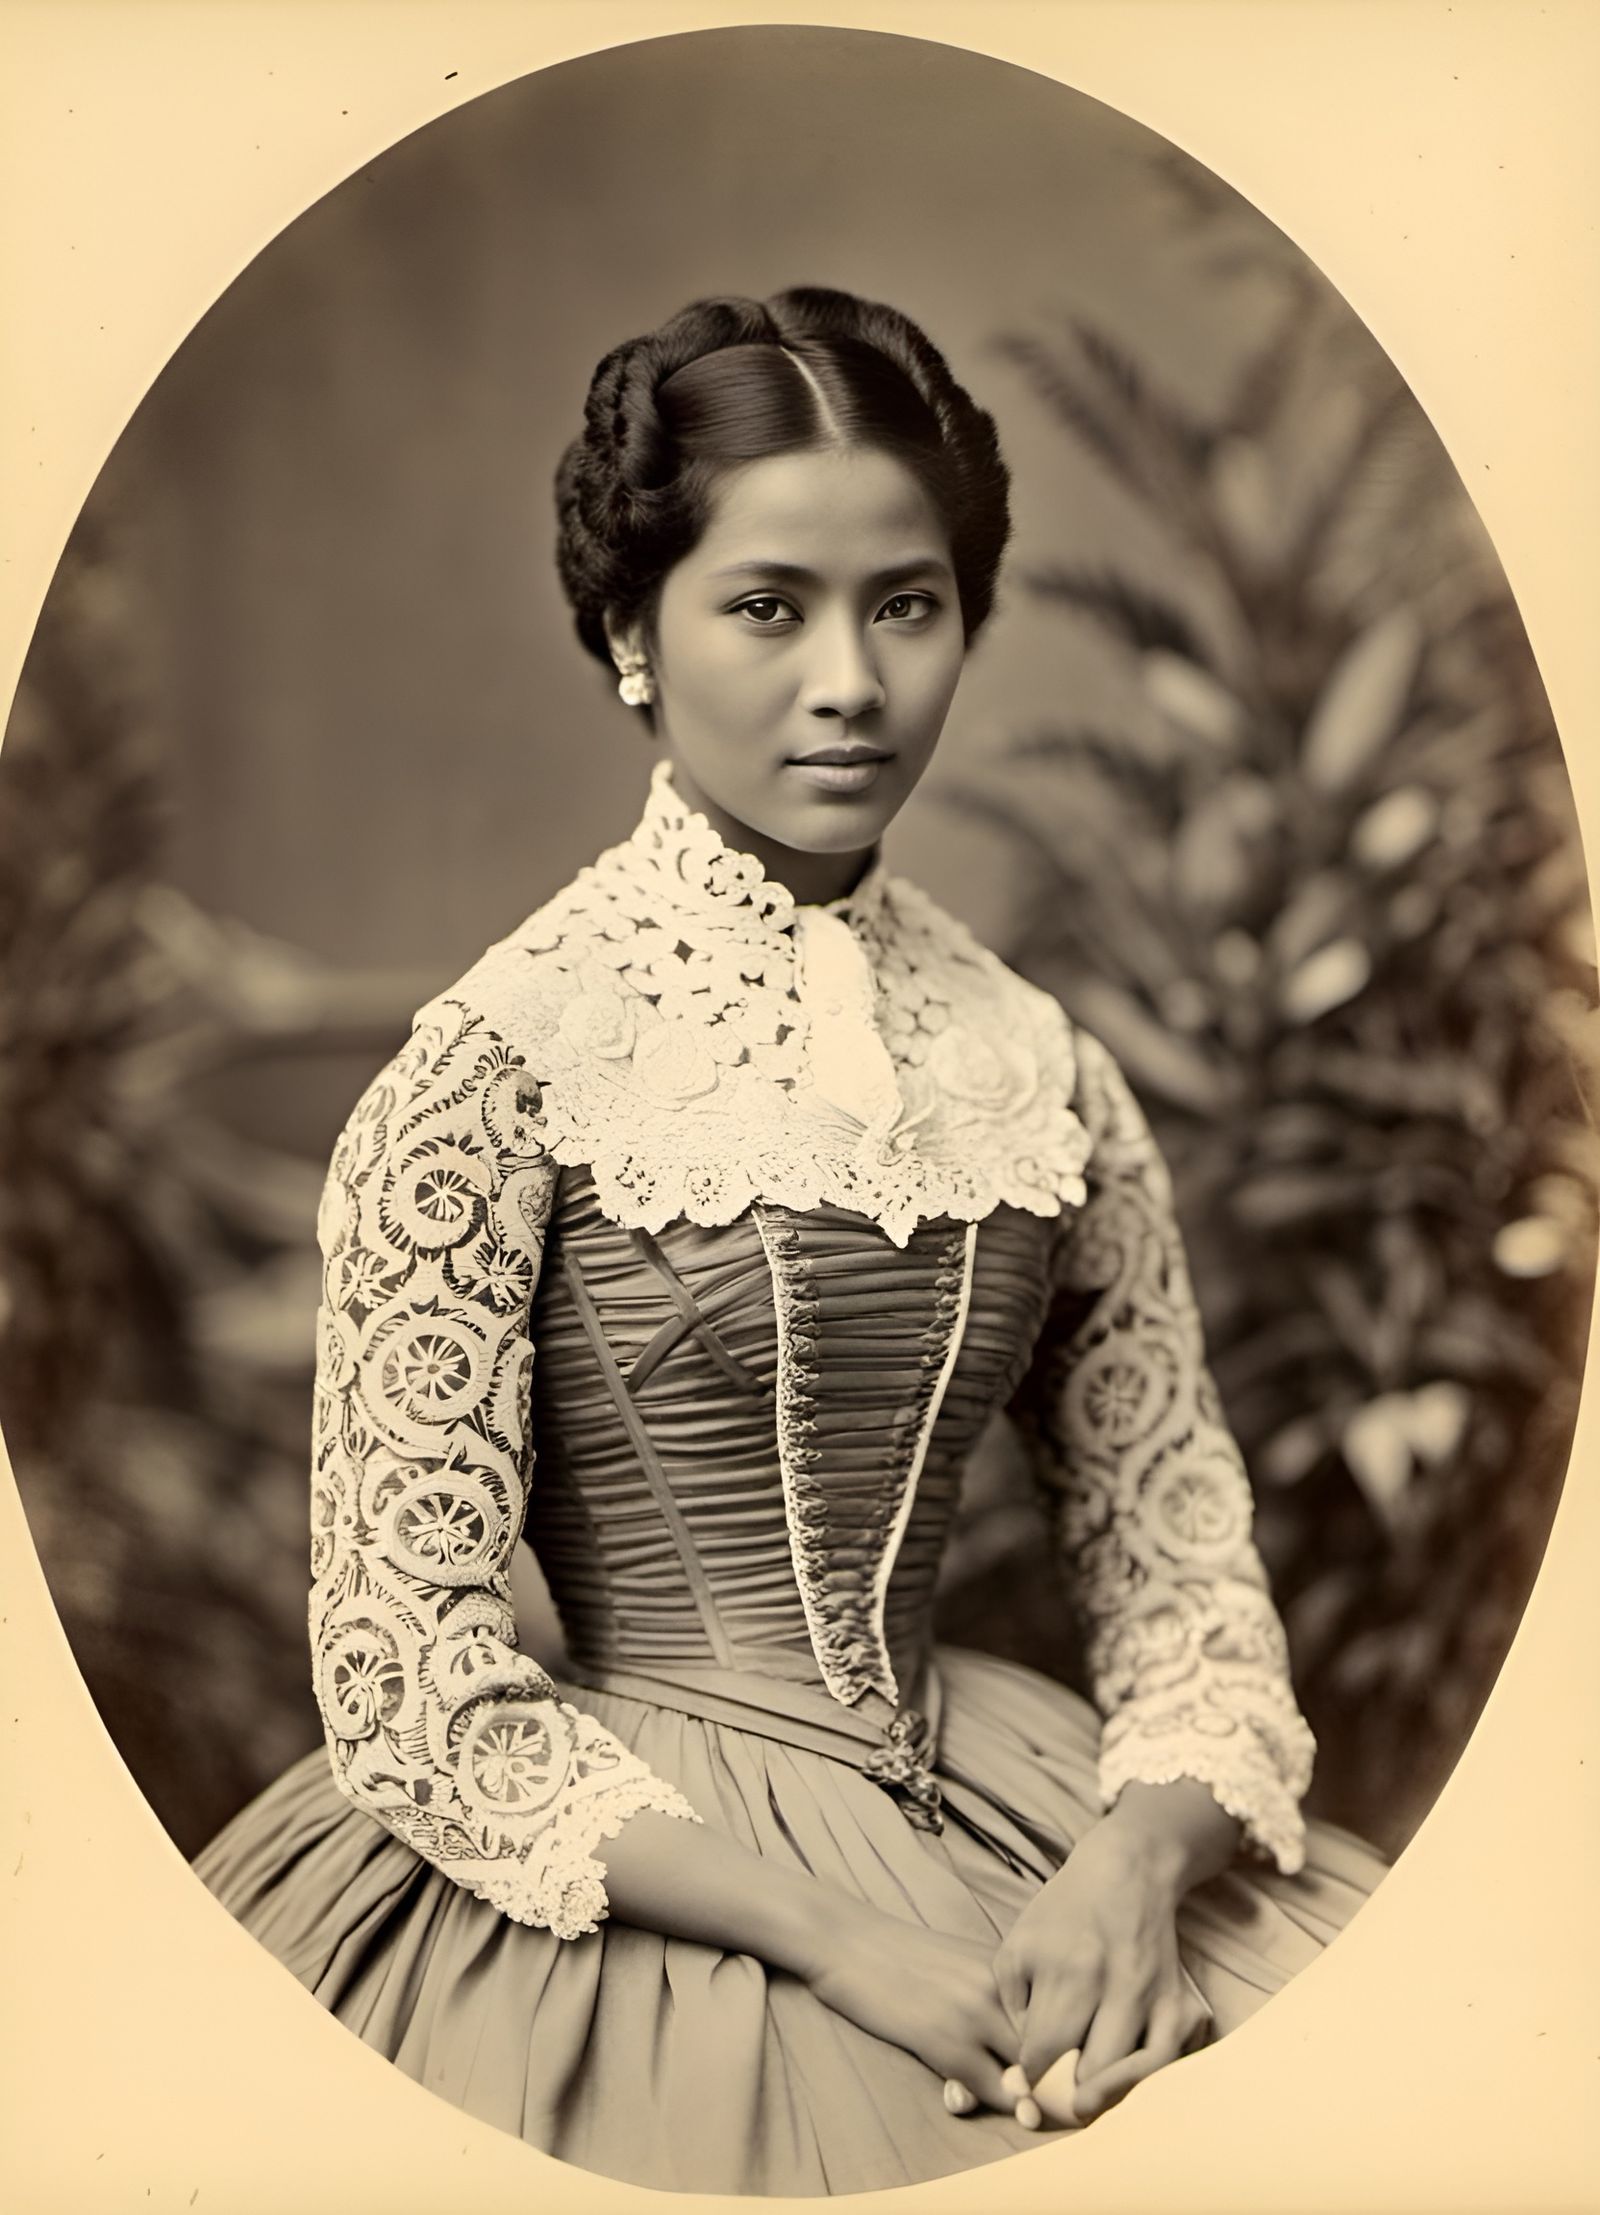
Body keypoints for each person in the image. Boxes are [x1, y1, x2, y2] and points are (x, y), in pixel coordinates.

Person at [192, 285, 1388, 2197]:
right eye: (769, 606)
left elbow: (1183, 1586)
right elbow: (408, 1669)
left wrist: (1133, 1866)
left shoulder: (1038, 1064)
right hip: (652, 1867)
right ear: (627, 634)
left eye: (908, 606)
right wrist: (850, 1939)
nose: (853, 678)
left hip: (1005, 1798)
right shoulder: (503, 1069)